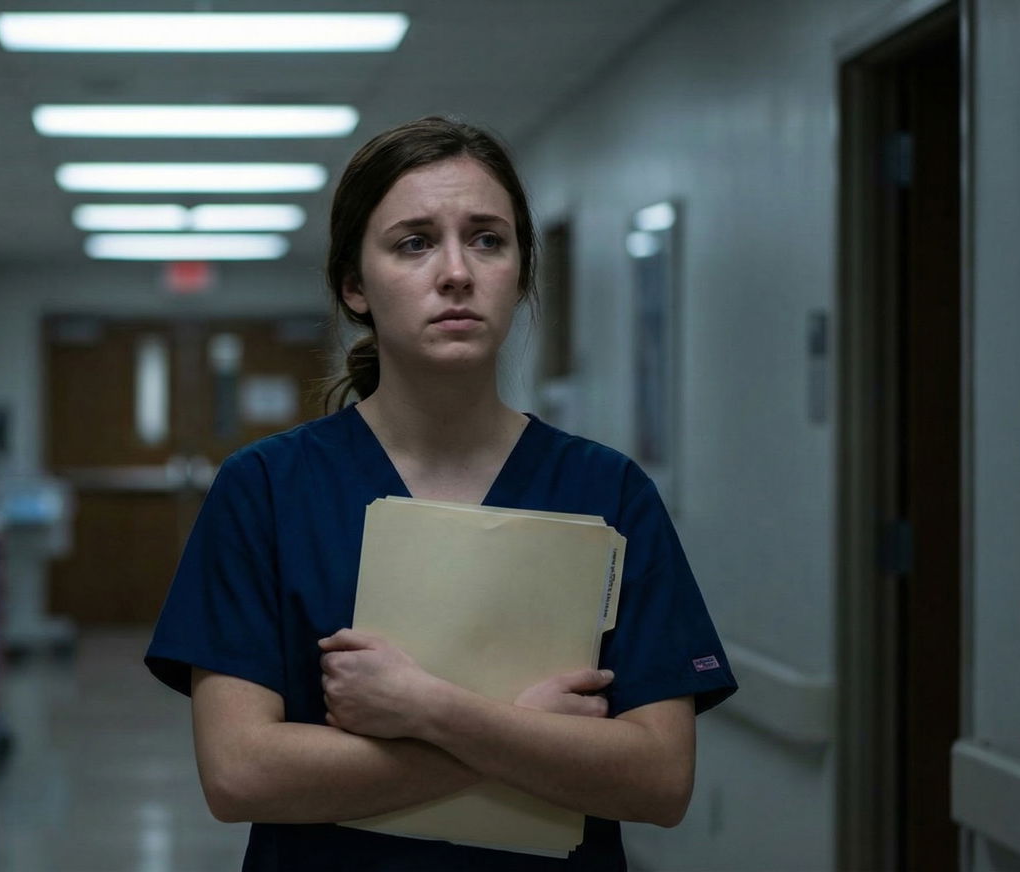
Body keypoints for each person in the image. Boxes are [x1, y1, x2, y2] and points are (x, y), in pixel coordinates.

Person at [145, 116, 737, 870]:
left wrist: (429, 710)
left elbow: (660, 781)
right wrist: (526, 737)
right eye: (415, 242)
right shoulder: (265, 490)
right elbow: (240, 775)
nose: (457, 271)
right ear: (354, 286)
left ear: (520, 274)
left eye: (488, 239)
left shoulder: (605, 491)